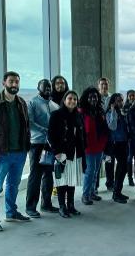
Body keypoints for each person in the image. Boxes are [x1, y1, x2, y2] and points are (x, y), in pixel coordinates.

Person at [0, 71, 31, 232]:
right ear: (4, 83)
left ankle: (11, 212)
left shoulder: (21, 102)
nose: (14, 84)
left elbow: (26, 126)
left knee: (13, 185)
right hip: (1, 153)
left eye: (17, 81)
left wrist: (26, 146)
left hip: (20, 152)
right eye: (11, 81)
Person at [25, 79, 59, 218]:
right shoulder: (32, 102)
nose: (47, 88)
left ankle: (46, 204)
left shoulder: (54, 104)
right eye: (44, 86)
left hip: (51, 145)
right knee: (35, 176)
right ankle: (30, 207)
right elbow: (30, 122)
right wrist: (46, 130)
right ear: (38, 87)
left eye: (49, 87)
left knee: (48, 175)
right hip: (37, 144)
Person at [48, 90, 85, 218]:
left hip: (75, 153)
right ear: (64, 100)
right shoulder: (56, 115)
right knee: (61, 181)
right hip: (62, 153)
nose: (72, 101)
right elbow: (50, 135)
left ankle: (71, 205)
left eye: (75, 99)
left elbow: (81, 135)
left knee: (72, 180)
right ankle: (62, 207)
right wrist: (56, 152)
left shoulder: (78, 115)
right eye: (70, 98)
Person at [79, 87, 109, 205]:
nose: (93, 99)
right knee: (90, 171)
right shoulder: (81, 112)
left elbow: (104, 127)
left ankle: (92, 192)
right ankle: (85, 195)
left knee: (95, 171)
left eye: (95, 96)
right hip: (88, 147)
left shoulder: (100, 111)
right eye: (90, 97)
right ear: (86, 98)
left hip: (99, 146)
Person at [105, 93, 130, 204]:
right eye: (118, 101)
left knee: (123, 168)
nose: (120, 103)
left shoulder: (121, 113)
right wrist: (113, 111)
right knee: (121, 167)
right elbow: (113, 126)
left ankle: (118, 191)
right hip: (115, 144)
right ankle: (116, 194)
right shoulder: (110, 113)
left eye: (121, 100)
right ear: (112, 102)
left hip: (123, 143)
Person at [123, 89, 135, 186]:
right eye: (130, 95)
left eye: (133, 95)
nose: (132, 97)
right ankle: (130, 178)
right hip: (128, 138)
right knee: (129, 158)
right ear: (127, 97)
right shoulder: (124, 108)